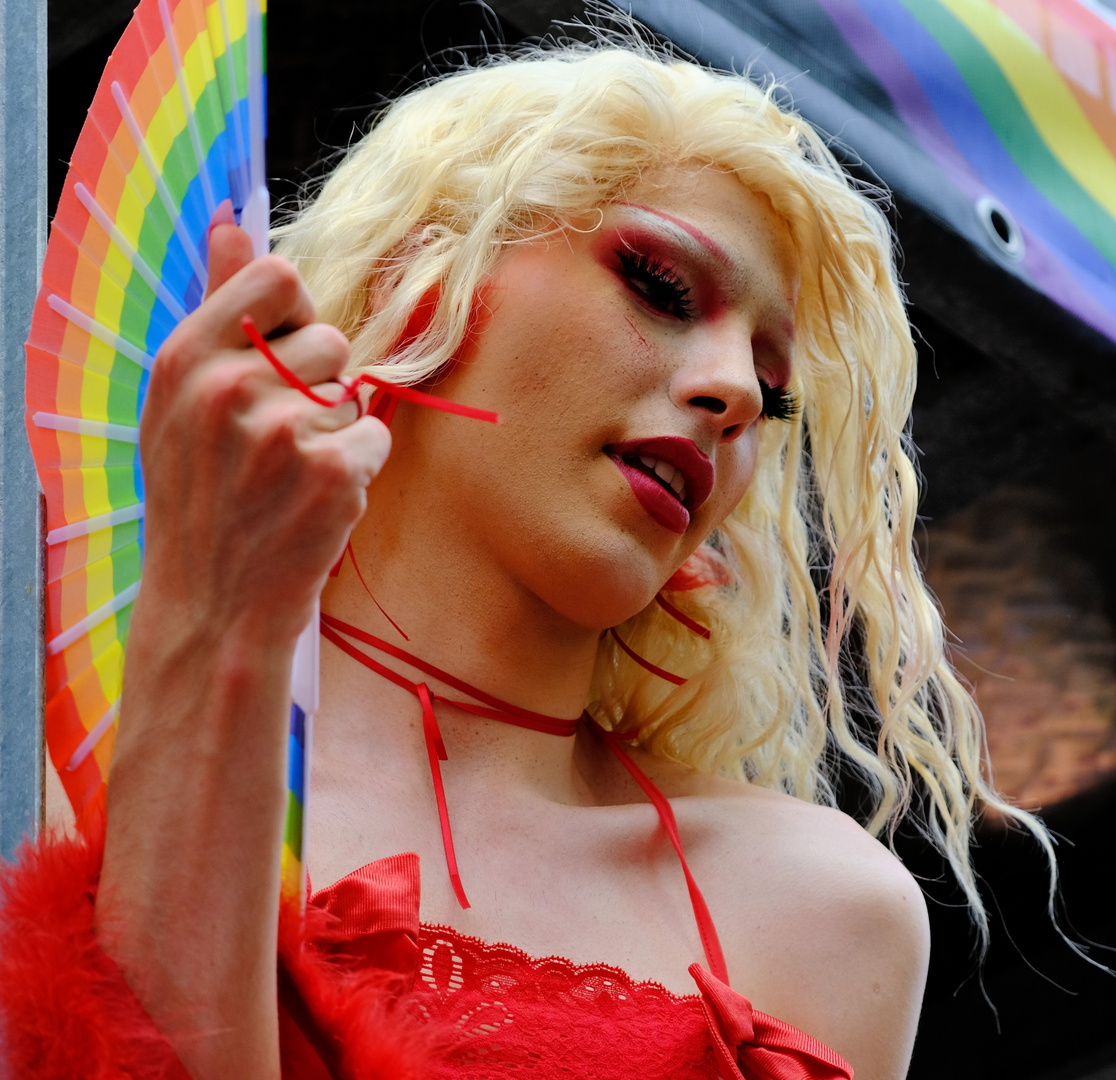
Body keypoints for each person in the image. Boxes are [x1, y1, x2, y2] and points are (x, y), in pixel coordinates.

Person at [0, 35, 1052, 1080]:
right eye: (659, 284)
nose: (733, 392)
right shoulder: (47, 761)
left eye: (774, 397)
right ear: (422, 276)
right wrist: (211, 636)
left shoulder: (824, 909)